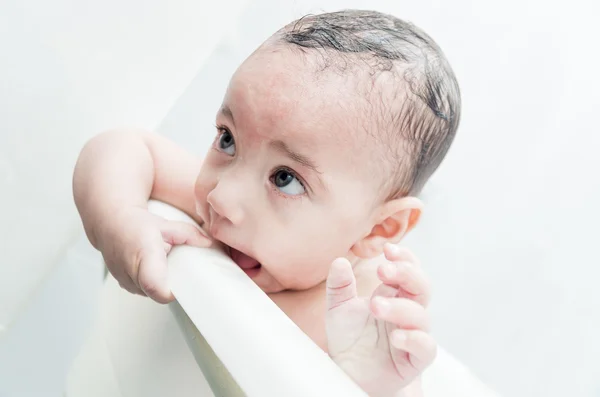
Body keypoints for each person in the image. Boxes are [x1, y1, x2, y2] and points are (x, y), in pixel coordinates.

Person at [73, 9, 460, 397]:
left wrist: (370, 385)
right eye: (227, 139)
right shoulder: (227, 207)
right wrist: (120, 215)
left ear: (377, 229)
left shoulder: (367, 318)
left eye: (285, 179)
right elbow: (123, 145)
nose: (221, 196)